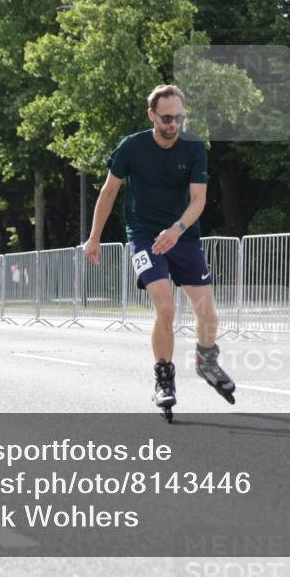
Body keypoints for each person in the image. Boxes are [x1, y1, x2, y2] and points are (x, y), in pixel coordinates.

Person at [83, 84, 235, 411]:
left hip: (183, 235)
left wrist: (178, 229)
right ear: (151, 115)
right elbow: (109, 192)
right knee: (165, 308)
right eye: (166, 118)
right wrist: (94, 237)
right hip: (143, 235)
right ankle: (164, 377)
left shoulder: (194, 147)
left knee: (207, 314)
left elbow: (198, 200)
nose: (173, 125)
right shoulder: (131, 148)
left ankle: (207, 362)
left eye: (179, 117)